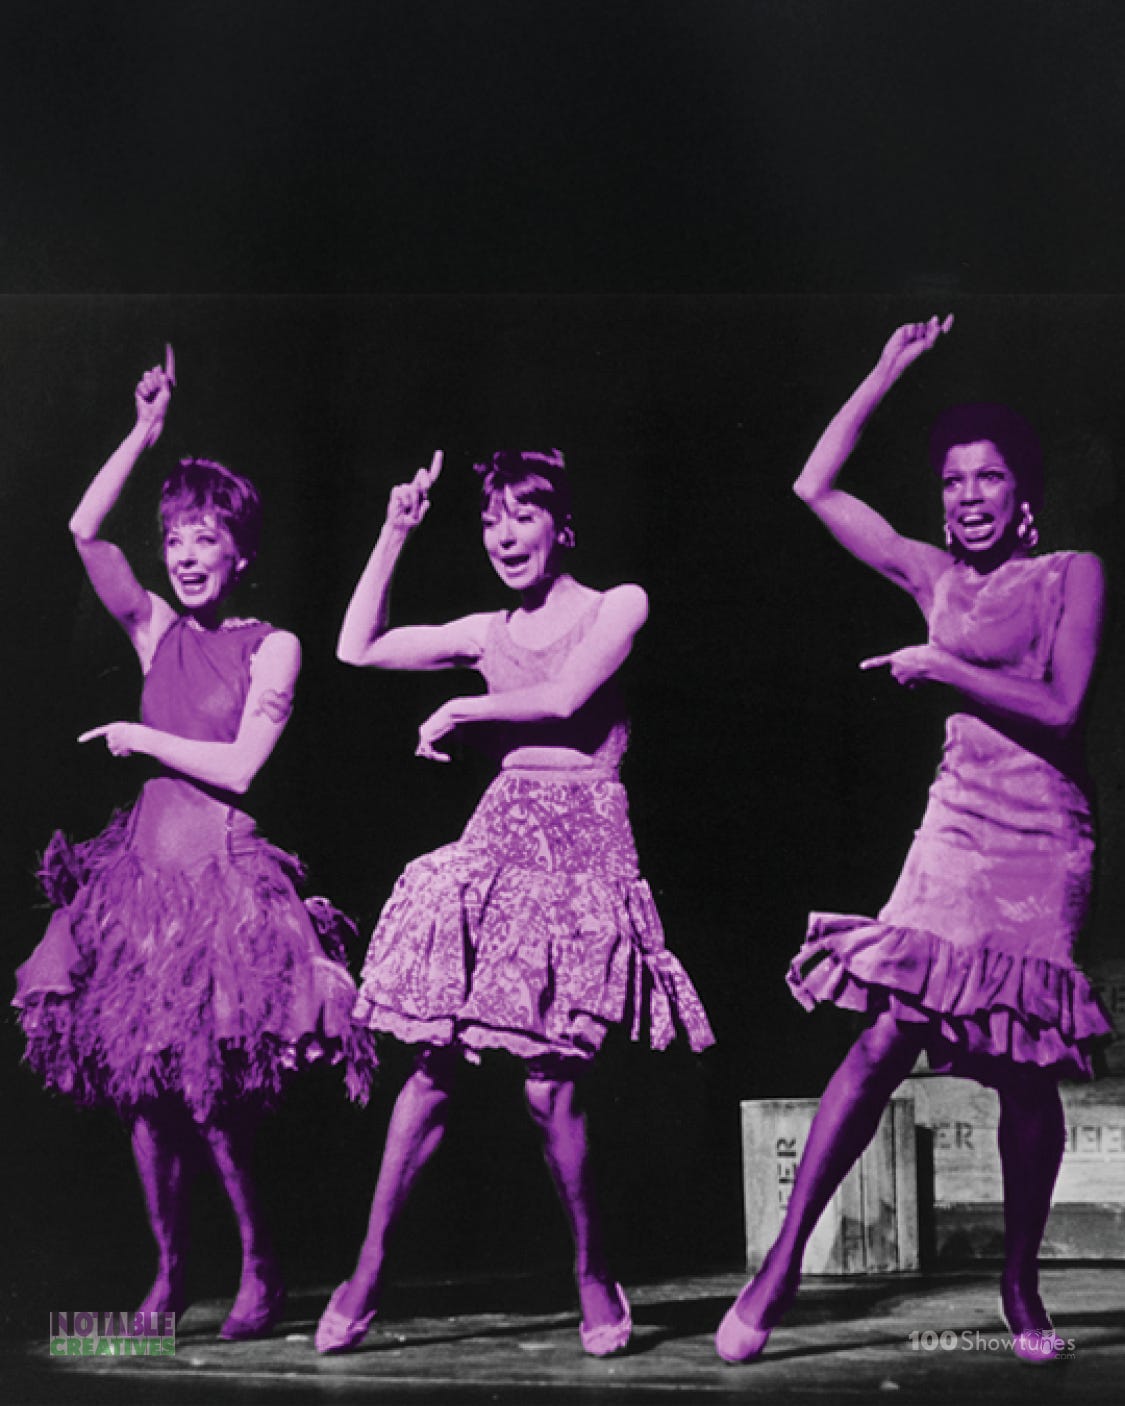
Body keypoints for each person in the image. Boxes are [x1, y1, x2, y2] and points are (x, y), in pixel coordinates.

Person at [716, 318, 1112, 1367]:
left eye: (986, 479)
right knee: (888, 1028)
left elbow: (1063, 703)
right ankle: (783, 1261)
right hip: (955, 824)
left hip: (1042, 835)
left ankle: (1019, 1277)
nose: (966, 496)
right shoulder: (932, 577)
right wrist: (887, 369)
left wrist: (939, 672)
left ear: (1024, 492)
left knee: (1022, 1070)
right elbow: (814, 486)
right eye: (950, 481)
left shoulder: (1074, 572)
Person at [317, 448, 714, 1356]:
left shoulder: (619, 604)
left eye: (522, 515)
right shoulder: (484, 629)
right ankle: (368, 1268)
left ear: (560, 526)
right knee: (432, 1066)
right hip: (498, 840)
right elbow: (356, 647)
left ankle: (591, 1271)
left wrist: (463, 712)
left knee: (548, 1089)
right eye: (491, 520)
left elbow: (570, 695)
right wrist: (394, 529)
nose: (503, 534)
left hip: (581, 842)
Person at [13, 349, 374, 1340]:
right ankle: (170, 1270)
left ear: (239, 550)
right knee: (142, 1092)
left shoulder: (275, 643)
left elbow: (246, 767)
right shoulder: (153, 629)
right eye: (173, 535)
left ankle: (262, 1267)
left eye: (203, 535)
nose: (182, 550)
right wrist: (143, 434)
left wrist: (139, 738)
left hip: (222, 877)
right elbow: (84, 529)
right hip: (140, 881)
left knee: (215, 1098)